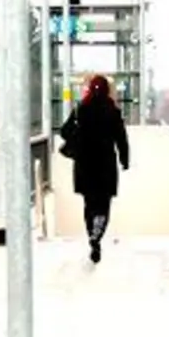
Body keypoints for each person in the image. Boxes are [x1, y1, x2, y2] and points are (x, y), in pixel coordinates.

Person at [58, 74, 130, 263]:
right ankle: (96, 235)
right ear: (107, 90)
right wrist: (125, 160)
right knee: (103, 204)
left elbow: (64, 130)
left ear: (90, 89)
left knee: (89, 204)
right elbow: (121, 139)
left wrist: (78, 138)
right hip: (105, 164)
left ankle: (92, 233)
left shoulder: (81, 109)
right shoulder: (113, 111)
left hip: (85, 163)